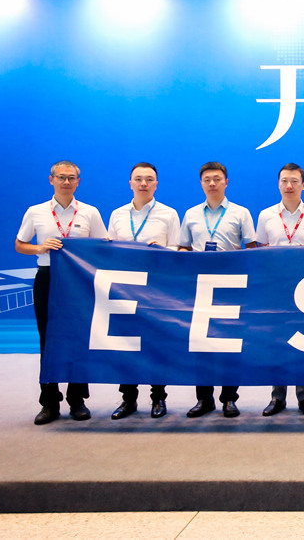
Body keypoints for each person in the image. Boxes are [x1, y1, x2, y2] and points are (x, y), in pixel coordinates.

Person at [15, 160, 108, 425]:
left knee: (79, 337)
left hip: (80, 282)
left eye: (71, 178)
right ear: (51, 179)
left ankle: (77, 400)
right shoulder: (36, 211)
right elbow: (20, 244)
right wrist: (39, 248)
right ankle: (49, 402)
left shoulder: (90, 212)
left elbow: (103, 246)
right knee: (48, 338)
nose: (66, 182)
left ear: (78, 181)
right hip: (48, 278)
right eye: (61, 177)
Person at [178, 161, 257, 418]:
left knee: (229, 344)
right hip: (200, 287)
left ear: (226, 182)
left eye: (217, 179)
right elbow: (183, 247)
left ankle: (229, 398)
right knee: (201, 344)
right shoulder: (191, 214)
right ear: (201, 183)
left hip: (231, 287)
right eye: (207, 179)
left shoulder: (241, 213)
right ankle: (204, 398)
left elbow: (252, 249)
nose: (212, 183)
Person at [106, 162, 182, 420]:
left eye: (149, 179)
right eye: (138, 179)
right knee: (126, 343)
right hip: (124, 289)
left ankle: (158, 397)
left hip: (156, 288)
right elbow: (108, 251)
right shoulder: (117, 214)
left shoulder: (169, 214)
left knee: (156, 343)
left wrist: (163, 249)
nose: (143, 184)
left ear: (156, 184)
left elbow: (178, 250)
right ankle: (128, 399)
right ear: (130, 183)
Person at [255, 162, 304, 418]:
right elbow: (261, 250)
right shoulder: (266, 215)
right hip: (275, 288)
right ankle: (277, 396)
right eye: (284, 181)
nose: (289, 186)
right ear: (278, 184)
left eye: (294, 181)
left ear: (303, 185)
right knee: (277, 342)